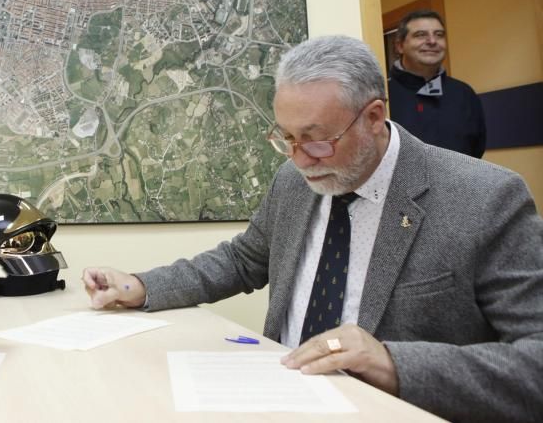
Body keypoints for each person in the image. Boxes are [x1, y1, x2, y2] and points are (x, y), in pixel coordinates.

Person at [83, 35, 542, 422]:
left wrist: (393, 361)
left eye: (317, 140)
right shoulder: (295, 180)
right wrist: (142, 285)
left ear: (374, 117)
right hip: (277, 399)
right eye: (287, 138)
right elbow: (244, 259)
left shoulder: (484, 198)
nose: (300, 158)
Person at [387, 10, 486, 158]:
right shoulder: (382, 94)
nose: (432, 41)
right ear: (400, 46)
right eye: (420, 35)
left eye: (439, 35)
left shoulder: (464, 94)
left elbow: (476, 149)